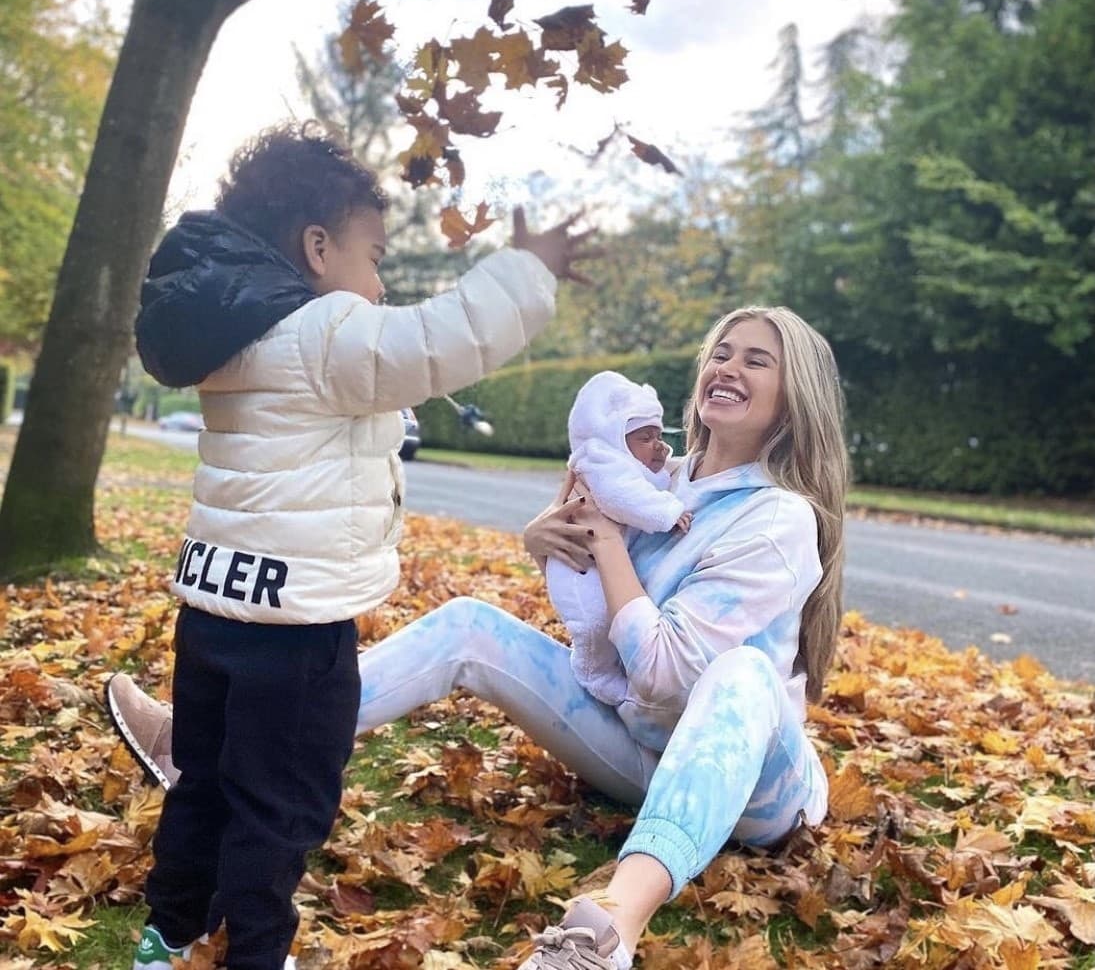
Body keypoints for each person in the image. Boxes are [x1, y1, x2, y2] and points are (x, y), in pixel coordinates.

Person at [110, 303, 848, 970]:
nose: (728, 367)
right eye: (722, 351)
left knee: (741, 673)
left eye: (757, 360)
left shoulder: (776, 517)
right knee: (468, 622)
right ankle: (201, 750)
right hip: (637, 744)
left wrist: (610, 544)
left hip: (750, 789)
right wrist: (547, 541)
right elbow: (603, 632)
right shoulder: (657, 475)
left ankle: (608, 931)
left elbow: (664, 671)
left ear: (793, 400)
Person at [108, 121, 594, 970]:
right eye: (375, 258)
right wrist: (527, 270)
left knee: (206, 786)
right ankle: (256, 953)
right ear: (319, 247)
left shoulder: (232, 340)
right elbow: (439, 341)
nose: (379, 284)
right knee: (280, 807)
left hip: (215, 612)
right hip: (296, 635)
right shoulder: (323, 332)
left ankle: (170, 933)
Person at [546, 370, 691, 706]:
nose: (658, 445)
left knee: (608, 621)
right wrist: (667, 512)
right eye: (646, 438)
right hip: (578, 568)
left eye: (659, 434)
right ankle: (593, 673)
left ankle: (603, 671)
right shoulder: (601, 462)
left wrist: (657, 457)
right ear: (614, 436)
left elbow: (646, 481)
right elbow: (622, 497)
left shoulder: (619, 459)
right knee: (595, 624)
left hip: (593, 560)